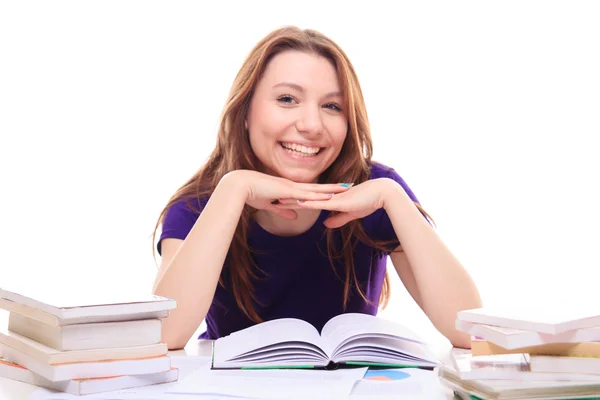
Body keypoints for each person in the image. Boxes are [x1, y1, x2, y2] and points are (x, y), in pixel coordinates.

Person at [152, 26, 482, 350]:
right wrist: (233, 190)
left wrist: (393, 198)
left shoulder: (375, 192)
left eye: (332, 106)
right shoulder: (199, 204)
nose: (311, 125)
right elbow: (166, 335)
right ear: (245, 113)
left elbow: (471, 331)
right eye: (286, 99)